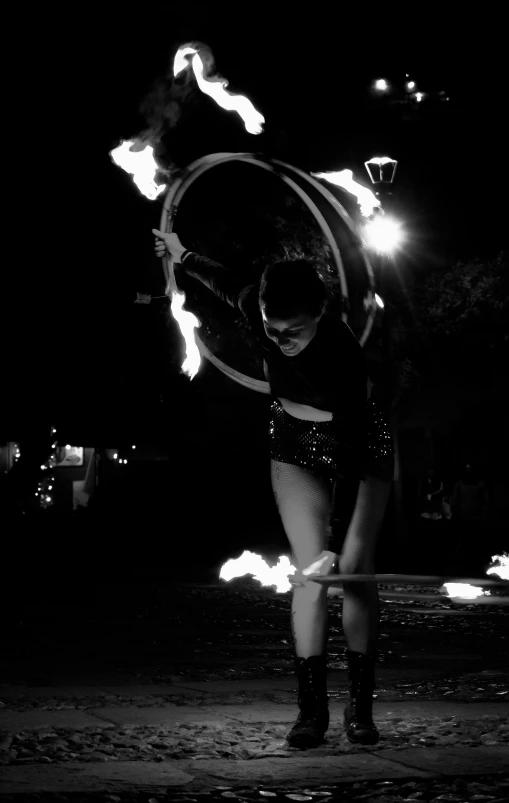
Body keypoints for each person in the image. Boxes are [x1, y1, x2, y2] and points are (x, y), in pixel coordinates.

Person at [153, 229, 394, 749]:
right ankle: (311, 712)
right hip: (291, 438)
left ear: (321, 315)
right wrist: (180, 253)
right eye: (271, 327)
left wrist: (337, 541)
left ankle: (360, 706)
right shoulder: (256, 305)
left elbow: (350, 450)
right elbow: (222, 281)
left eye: (295, 330)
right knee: (309, 575)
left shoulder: (342, 352)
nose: (281, 339)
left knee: (351, 571)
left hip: (358, 443)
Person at [450, 463, 489, 574]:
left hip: (475, 518)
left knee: (475, 542)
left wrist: (481, 514)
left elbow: (485, 501)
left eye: (470, 469)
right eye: (467, 469)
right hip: (463, 517)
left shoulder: (480, 484)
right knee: (464, 541)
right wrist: (456, 513)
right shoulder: (460, 484)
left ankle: (476, 565)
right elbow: (455, 499)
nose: (469, 472)